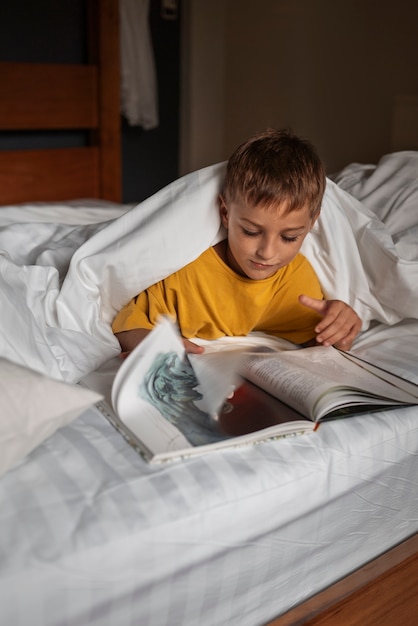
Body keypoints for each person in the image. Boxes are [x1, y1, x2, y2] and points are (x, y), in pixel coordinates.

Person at [112, 128, 361, 356]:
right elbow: (128, 323)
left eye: (289, 237)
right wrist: (153, 345)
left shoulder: (299, 283)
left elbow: (321, 343)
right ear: (226, 213)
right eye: (251, 231)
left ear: (312, 224)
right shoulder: (188, 274)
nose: (267, 252)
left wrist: (342, 327)